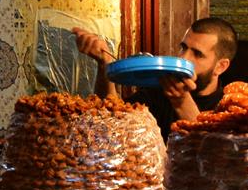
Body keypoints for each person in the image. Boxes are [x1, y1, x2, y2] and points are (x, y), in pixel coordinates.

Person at [74, 17, 237, 140]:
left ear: (220, 66)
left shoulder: (231, 108)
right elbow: (111, 121)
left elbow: (215, 155)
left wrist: (182, 103)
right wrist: (105, 65)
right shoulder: (157, 93)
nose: (184, 58)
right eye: (183, 48)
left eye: (197, 54)